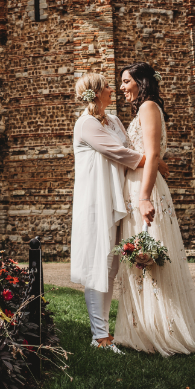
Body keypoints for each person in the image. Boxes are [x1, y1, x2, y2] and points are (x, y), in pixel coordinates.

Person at [112, 61, 195, 356]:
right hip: (136, 188)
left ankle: (162, 332)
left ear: (141, 83)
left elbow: (153, 153)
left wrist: (144, 198)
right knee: (139, 258)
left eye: (126, 81)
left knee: (149, 257)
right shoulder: (145, 109)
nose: (122, 88)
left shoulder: (149, 108)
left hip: (145, 190)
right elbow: (148, 154)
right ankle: (144, 330)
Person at [70, 72, 166, 351]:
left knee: (111, 267)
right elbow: (122, 154)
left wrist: (152, 158)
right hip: (96, 200)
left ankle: (105, 333)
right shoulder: (85, 124)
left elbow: (128, 145)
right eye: (108, 86)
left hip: (117, 197)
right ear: (97, 93)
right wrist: (155, 161)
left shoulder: (113, 120)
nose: (113, 90)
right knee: (98, 264)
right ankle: (99, 336)